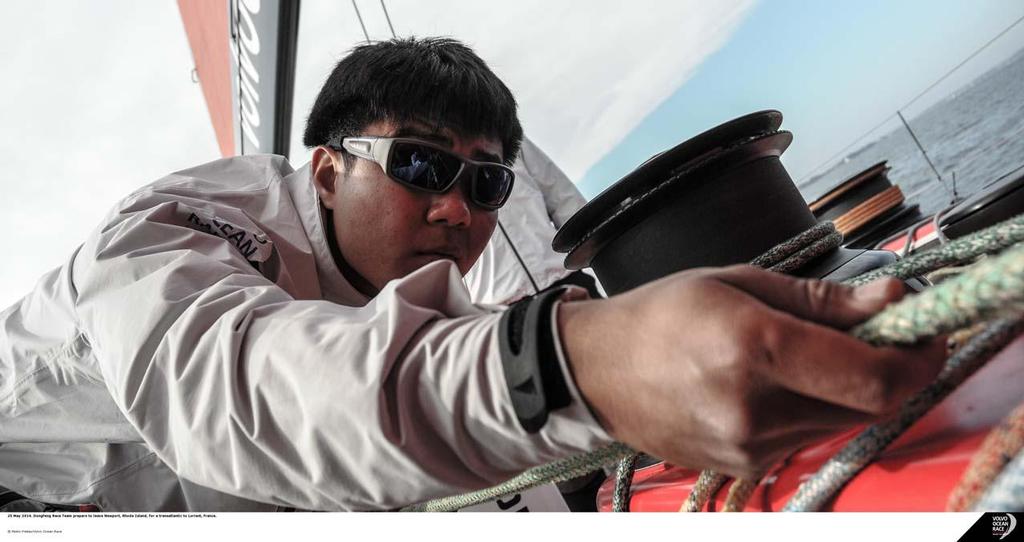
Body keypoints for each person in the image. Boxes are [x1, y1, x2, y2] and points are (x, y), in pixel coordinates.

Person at [0, 37, 945, 512]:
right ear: (328, 170)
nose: (459, 208)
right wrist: (571, 367)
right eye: (419, 165)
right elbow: (241, 386)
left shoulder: (418, 299)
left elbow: (432, 400)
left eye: (488, 181)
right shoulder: (174, 238)